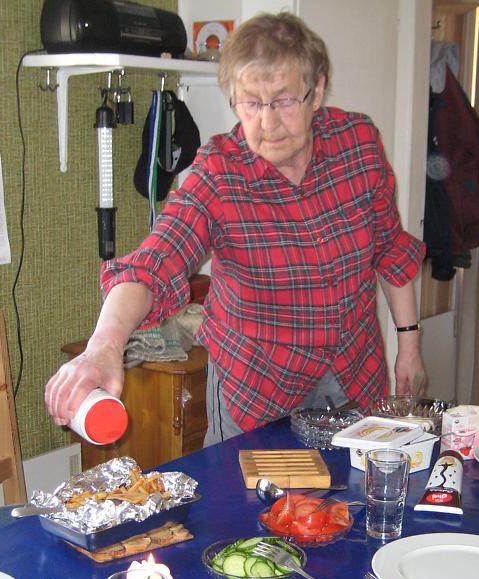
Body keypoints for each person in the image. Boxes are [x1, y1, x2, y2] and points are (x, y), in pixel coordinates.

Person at [45, 12, 426, 445]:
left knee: (354, 502)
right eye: (251, 103)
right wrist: (105, 346)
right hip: (259, 390)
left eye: (283, 101)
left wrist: (408, 345)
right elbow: (157, 259)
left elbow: (390, 249)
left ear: (316, 91)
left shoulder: (358, 143)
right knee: (248, 508)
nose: (267, 123)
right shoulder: (220, 172)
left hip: (355, 373)